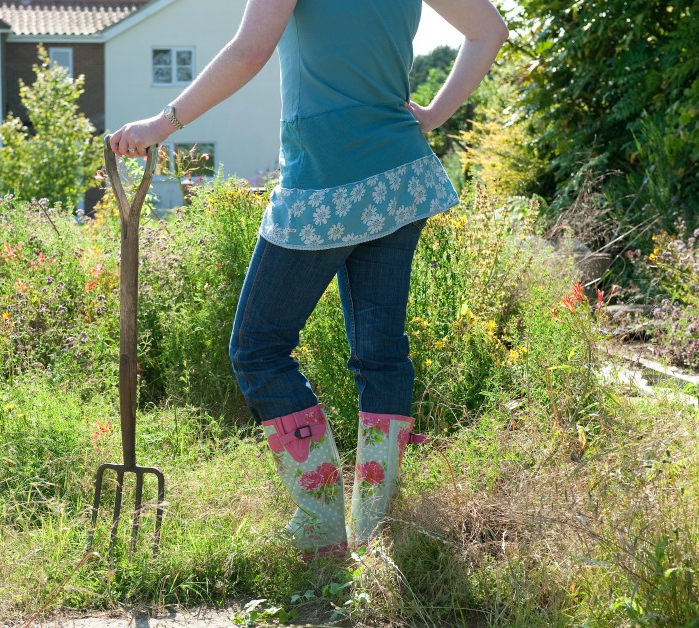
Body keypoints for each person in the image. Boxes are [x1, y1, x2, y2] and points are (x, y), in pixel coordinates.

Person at [109, 0, 508, 559]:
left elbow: (250, 50)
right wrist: (434, 115)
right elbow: (490, 30)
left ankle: (322, 529)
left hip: (325, 177)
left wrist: (161, 124)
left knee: (257, 347)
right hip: (399, 173)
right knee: (381, 355)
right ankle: (372, 530)